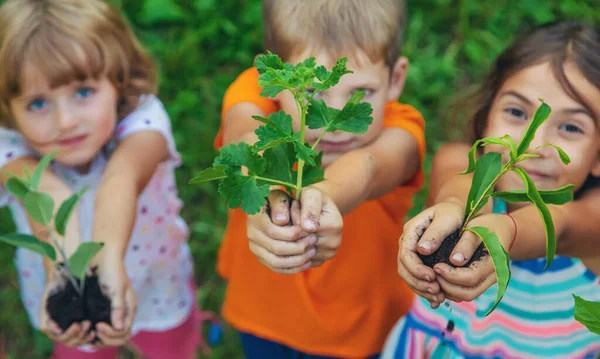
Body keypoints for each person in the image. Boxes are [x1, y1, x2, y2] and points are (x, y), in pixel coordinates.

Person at [213, 0, 427, 357]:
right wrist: (269, 192)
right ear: (272, 80)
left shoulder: (401, 130)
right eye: (311, 94)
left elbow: (367, 165)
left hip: (359, 328)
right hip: (263, 312)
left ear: (396, 79)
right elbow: (244, 133)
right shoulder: (253, 95)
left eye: (360, 94)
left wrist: (324, 199)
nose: (334, 117)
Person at [0, 1, 205, 357]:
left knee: (170, 347)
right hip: (65, 294)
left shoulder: (144, 123)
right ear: (8, 107)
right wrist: (65, 278)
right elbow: (47, 189)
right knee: (79, 348)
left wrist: (108, 261)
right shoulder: (10, 146)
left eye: (83, 92)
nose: (65, 121)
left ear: (119, 79)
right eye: (37, 103)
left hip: (157, 280)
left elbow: (120, 178)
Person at [385, 21, 600, 358]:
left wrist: (505, 232)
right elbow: (462, 186)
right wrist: (456, 208)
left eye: (571, 127)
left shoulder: (593, 216)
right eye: (516, 112)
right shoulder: (457, 160)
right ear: (486, 118)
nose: (534, 144)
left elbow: (558, 224)